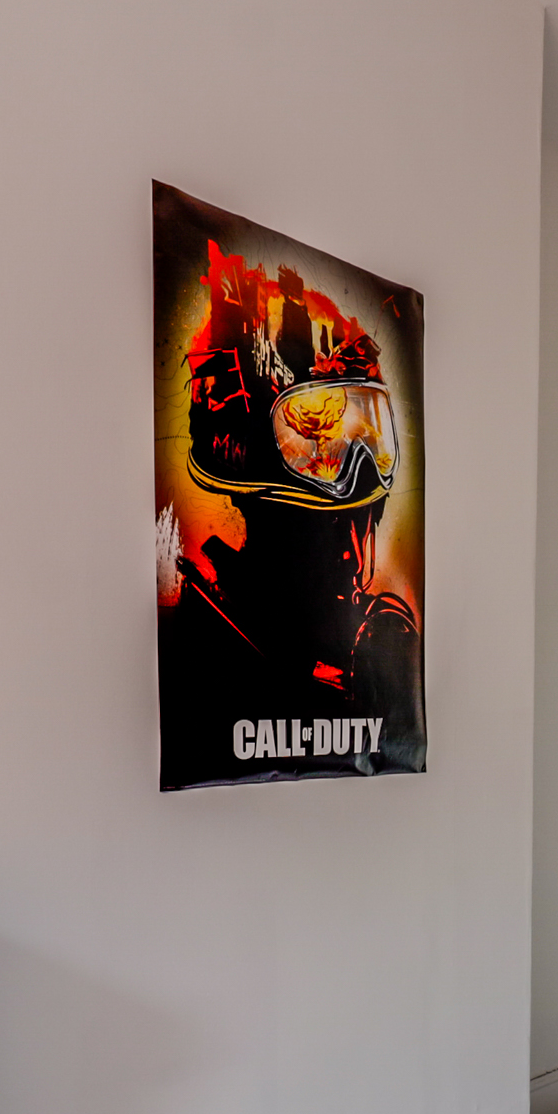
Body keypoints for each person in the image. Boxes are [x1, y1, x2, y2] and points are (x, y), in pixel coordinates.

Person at [160, 239, 424, 789]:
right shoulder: (199, 642)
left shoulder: (379, 641)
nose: (353, 463)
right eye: (314, 437)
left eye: (365, 427)